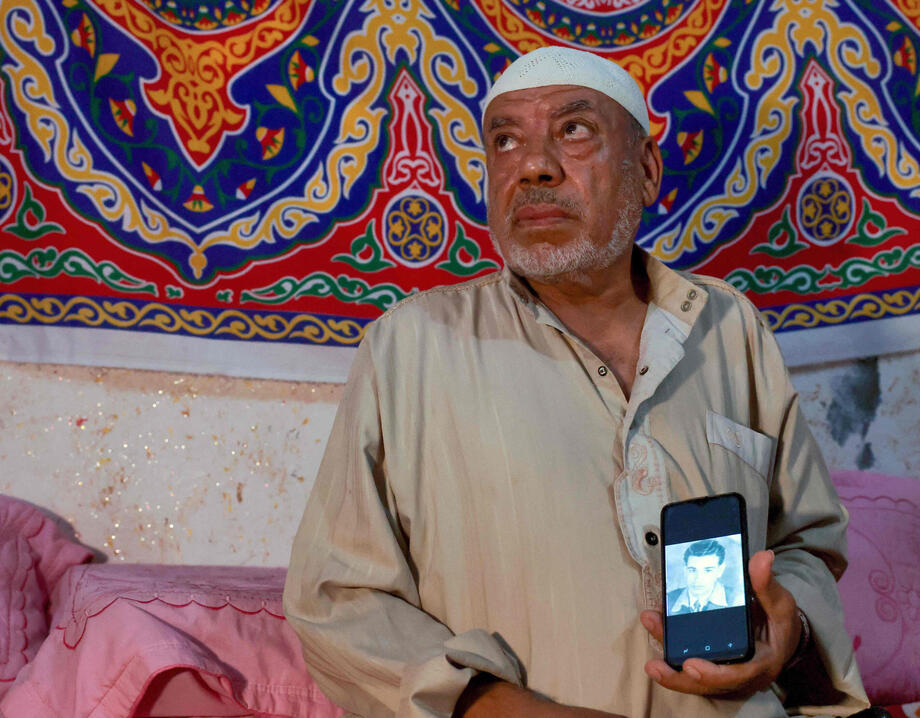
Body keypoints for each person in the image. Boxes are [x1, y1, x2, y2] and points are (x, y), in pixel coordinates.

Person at [284, 45, 869, 718]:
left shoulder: (728, 326)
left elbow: (805, 545)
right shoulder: (413, 345)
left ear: (646, 170)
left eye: (574, 130)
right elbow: (336, 599)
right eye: (505, 140)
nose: (533, 165)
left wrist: (784, 633)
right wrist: (501, 707)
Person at [667, 539, 742, 615]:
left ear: (720, 570)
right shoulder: (668, 600)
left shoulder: (738, 599)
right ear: (685, 570)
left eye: (708, 570)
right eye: (692, 570)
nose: (698, 579)